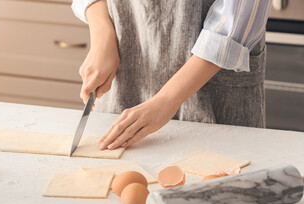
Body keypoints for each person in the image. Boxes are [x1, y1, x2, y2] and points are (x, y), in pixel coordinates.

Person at [71, 0, 272, 150]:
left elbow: (233, 26)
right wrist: (102, 35)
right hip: (125, 75)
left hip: (214, 95)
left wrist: (167, 99)